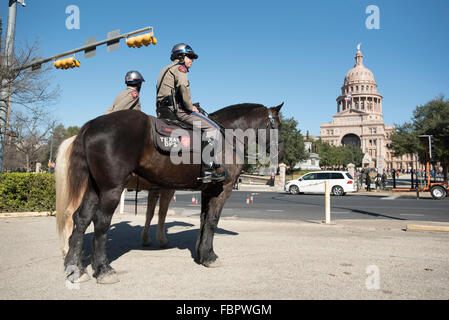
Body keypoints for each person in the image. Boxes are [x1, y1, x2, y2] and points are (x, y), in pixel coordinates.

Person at [156, 43, 226, 182]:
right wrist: (189, 106)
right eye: (190, 57)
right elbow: (183, 88)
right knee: (213, 129)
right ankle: (208, 170)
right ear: (181, 56)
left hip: (162, 110)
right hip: (176, 110)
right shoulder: (181, 69)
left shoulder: (165, 69)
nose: (192, 60)